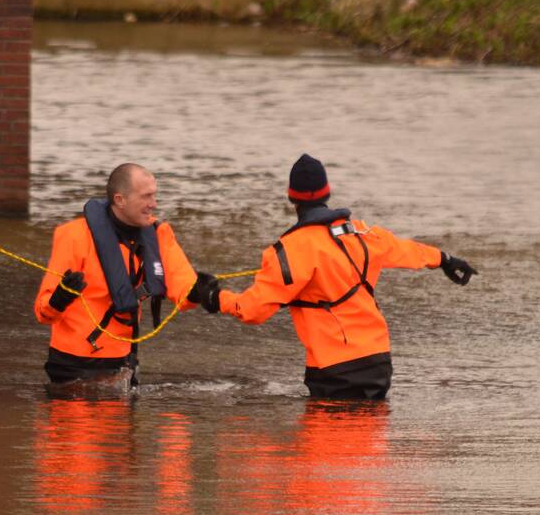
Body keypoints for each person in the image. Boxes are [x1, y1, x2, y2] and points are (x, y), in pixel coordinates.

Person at [190, 154, 477, 400]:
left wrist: (215, 297)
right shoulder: (364, 232)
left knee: (330, 459)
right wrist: (446, 259)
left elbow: (253, 311)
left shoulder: (288, 251)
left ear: (292, 198)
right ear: (327, 193)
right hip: (378, 361)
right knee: (366, 455)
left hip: (335, 370)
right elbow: (407, 251)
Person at [34, 163, 201, 386]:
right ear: (120, 200)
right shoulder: (73, 236)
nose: (154, 204)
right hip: (71, 365)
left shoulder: (158, 234)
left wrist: (202, 293)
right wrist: (60, 298)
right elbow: (43, 313)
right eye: (146, 197)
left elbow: (183, 285)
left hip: (123, 361)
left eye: (155, 195)